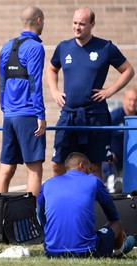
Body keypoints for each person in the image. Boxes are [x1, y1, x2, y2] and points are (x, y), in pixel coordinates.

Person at [47, 6, 135, 179]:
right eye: (74, 23)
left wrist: (110, 91)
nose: (77, 27)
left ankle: (95, 206)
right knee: (57, 164)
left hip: (95, 115)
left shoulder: (106, 47)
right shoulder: (63, 47)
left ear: (92, 24)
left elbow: (128, 70)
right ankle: (64, 203)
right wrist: (54, 90)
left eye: (82, 24)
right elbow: (51, 69)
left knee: (94, 166)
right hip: (69, 115)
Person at [37, 152, 136, 258]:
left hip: (51, 252)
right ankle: (118, 251)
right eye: (90, 169)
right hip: (87, 251)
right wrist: (119, 233)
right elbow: (113, 215)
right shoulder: (94, 181)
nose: (90, 173)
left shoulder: (48, 183)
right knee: (117, 223)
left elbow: (40, 213)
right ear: (82, 166)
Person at [0, 6, 46, 197]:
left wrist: (4, 108)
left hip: (9, 115)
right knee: (34, 170)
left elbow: (2, 81)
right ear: (38, 20)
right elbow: (35, 83)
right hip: (28, 115)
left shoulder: (6, 46)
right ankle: (30, 219)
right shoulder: (36, 47)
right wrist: (40, 114)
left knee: (6, 170)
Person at [104, 87, 137, 181]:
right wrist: (109, 152)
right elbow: (103, 134)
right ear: (124, 99)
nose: (132, 103)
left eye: (135, 100)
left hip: (133, 161)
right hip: (114, 162)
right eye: (130, 100)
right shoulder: (115, 116)